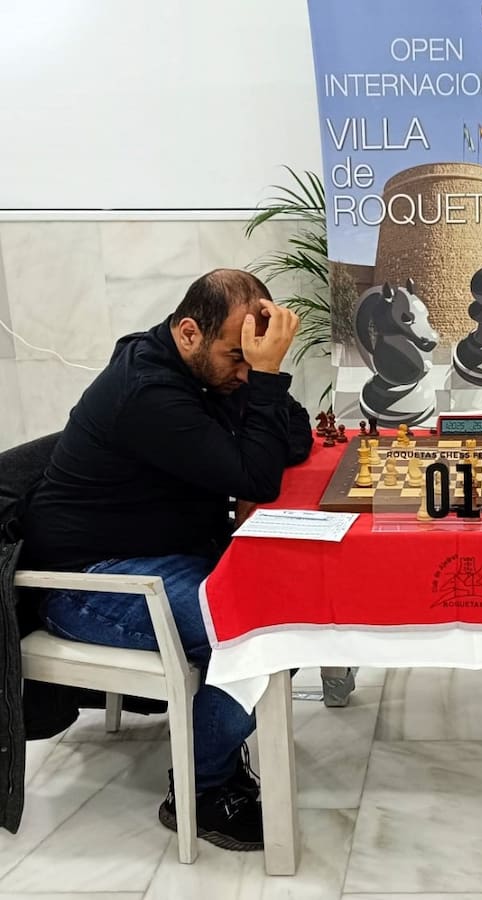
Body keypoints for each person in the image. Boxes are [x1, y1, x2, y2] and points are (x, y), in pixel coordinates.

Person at [18, 268, 313, 851]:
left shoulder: (202, 372)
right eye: (238, 357)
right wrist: (265, 386)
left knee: (289, 614)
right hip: (89, 581)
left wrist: (260, 381)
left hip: (164, 559)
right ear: (188, 332)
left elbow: (295, 435)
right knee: (260, 629)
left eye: (255, 360)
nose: (245, 374)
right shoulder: (148, 392)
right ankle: (202, 790)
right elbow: (256, 474)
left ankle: (209, 753)